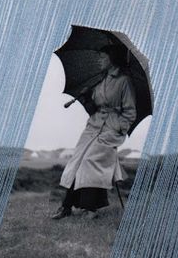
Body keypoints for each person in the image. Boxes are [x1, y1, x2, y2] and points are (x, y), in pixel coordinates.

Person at [51, 45, 137, 219]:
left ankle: (89, 208)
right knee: (77, 161)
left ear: (112, 58)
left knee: (91, 162)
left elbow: (130, 112)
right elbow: (94, 109)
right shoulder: (99, 79)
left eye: (102, 56)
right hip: (93, 126)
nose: (99, 60)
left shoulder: (124, 81)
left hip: (111, 128)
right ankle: (66, 207)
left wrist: (117, 128)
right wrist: (86, 98)